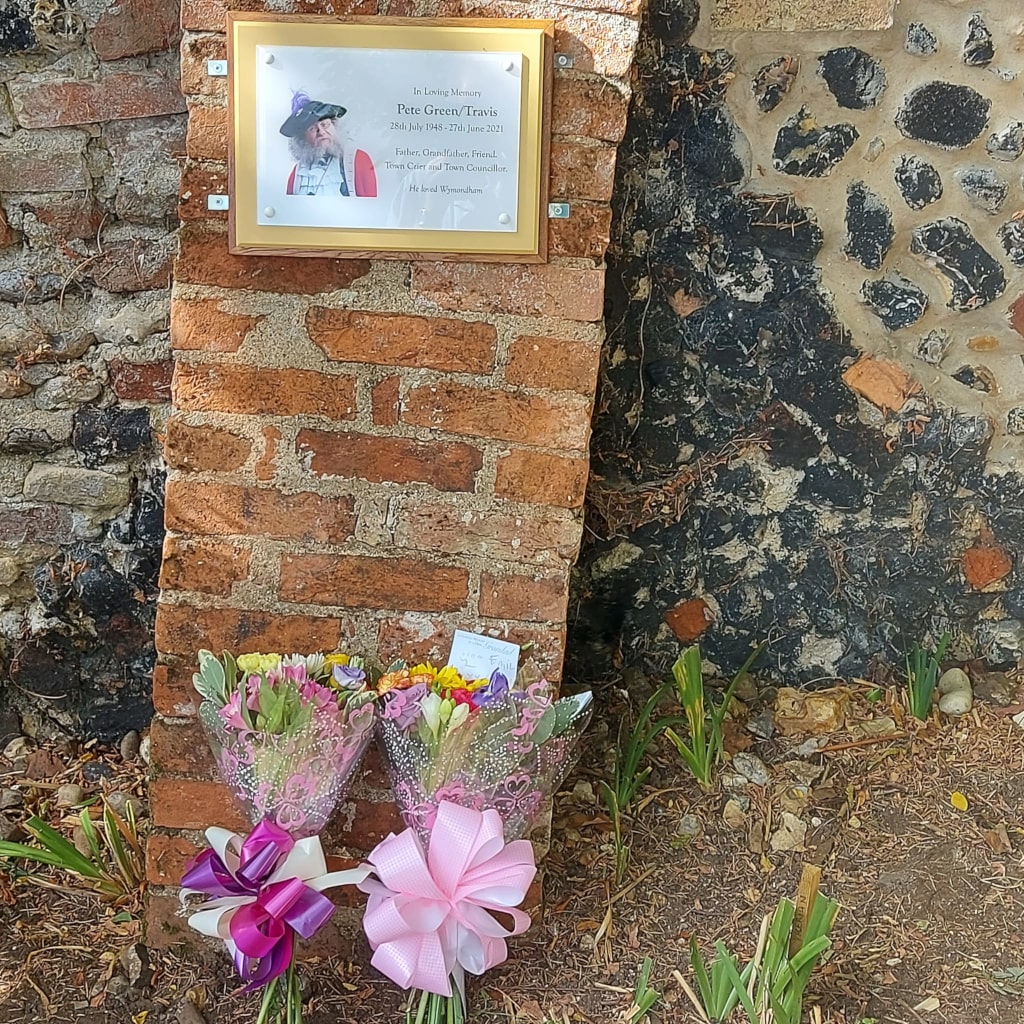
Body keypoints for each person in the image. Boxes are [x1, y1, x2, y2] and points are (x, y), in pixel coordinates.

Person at [279, 92, 377, 198]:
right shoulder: (297, 175)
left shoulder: (358, 160)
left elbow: (369, 208)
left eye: (325, 124)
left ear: (334, 126)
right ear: (303, 138)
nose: (321, 132)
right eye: (312, 128)